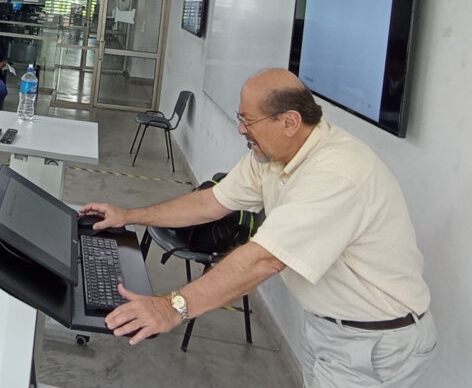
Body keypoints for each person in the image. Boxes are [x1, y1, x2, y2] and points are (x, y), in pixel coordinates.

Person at [80, 68, 434, 387]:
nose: (239, 129)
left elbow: (263, 260)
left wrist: (172, 307)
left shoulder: (335, 175)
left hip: (375, 343)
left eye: (248, 120)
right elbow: (210, 203)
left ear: (289, 122)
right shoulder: (272, 156)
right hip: (330, 328)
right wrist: (129, 215)